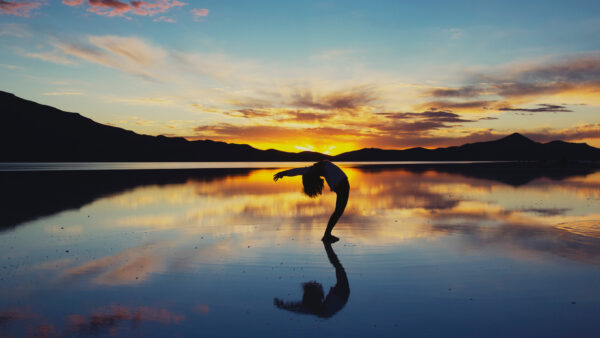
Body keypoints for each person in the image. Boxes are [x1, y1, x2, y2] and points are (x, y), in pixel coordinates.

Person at [273, 160, 349, 243]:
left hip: (342, 186)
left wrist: (283, 173)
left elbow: (299, 171)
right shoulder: (317, 168)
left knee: (338, 212)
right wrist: (283, 173)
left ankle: (327, 235)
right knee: (338, 212)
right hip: (342, 187)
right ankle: (327, 235)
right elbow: (298, 171)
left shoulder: (316, 168)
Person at [274, 241, 350, 318]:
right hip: (341, 295)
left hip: (340, 297)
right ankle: (327, 244)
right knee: (338, 266)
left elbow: (298, 308)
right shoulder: (317, 310)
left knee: (338, 266)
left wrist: (284, 306)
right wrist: (284, 306)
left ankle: (327, 244)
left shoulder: (316, 310)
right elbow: (299, 308)